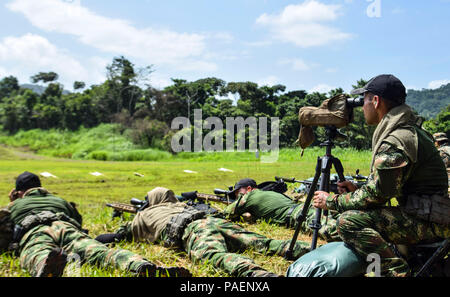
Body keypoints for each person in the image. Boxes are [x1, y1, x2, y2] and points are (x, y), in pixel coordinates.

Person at [312, 74, 450, 277]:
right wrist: (358, 191)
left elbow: (378, 195)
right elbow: (386, 188)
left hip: (433, 223)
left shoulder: (396, 140)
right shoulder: (409, 131)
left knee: (348, 222)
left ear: (375, 101)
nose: (362, 107)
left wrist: (332, 201)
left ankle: (395, 272)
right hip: (431, 214)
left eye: (364, 100)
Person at [6, 171, 191, 277]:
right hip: (66, 226)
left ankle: (44, 267)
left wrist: (12, 202)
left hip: (34, 231)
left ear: (19, 192)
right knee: (100, 252)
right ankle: (139, 265)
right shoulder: (58, 200)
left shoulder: (15, 205)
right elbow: (78, 222)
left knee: (38, 253)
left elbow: (5, 230)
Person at [96, 187, 311, 277]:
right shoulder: (179, 205)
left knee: (213, 256)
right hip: (211, 220)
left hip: (193, 230)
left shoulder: (143, 217)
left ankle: (257, 275)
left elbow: (113, 237)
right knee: (264, 243)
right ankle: (312, 249)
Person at [222, 178, 339, 242]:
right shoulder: (269, 193)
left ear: (248, 189)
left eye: (239, 194)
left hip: (300, 215)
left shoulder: (249, 196)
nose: (238, 197)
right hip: (308, 208)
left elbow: (227, 213)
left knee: (336, 232)